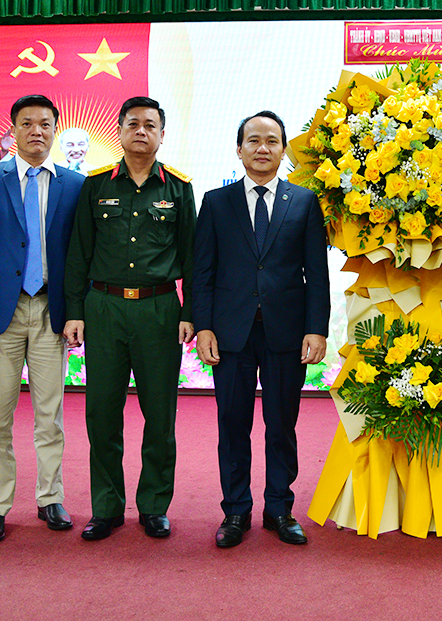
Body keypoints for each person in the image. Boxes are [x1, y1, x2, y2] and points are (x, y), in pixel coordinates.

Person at [192, 111, 330, 548]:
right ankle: (235, 512)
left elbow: (317, 273)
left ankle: (279, 508)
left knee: (280, 425)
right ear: (239, 149)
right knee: (232, 424)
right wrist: (204, 327)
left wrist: (317, 329)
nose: (262, 148)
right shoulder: (216, 202)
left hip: (285, 333)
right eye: (253, 140)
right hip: (230, 334)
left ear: (284, 150)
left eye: (272, 140)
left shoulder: (304, 202)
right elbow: (203, 272)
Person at [63, 97, 196, 541]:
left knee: (160, 413)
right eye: (133, 124)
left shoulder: (178, 188)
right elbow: (79, 253)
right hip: (104, 309)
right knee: (102, 413)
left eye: (150, 125)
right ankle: (106, 507)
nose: (141, 131)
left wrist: (191, 312)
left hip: (159, 311)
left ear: (162, 134)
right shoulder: (97, 185)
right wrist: (75, 312)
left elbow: (193, 258)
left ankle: (154, 505)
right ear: (119, 130)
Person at [0, 95, 85, 543]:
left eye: (45, 124)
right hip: (0, 314)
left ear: (56, 129)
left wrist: (77, 312)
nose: (37, 131)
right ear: (12, 130)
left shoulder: (74, 183)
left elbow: (80, 255)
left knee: (49, 415)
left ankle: (50, 497)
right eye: (27, 123)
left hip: (52, 310)